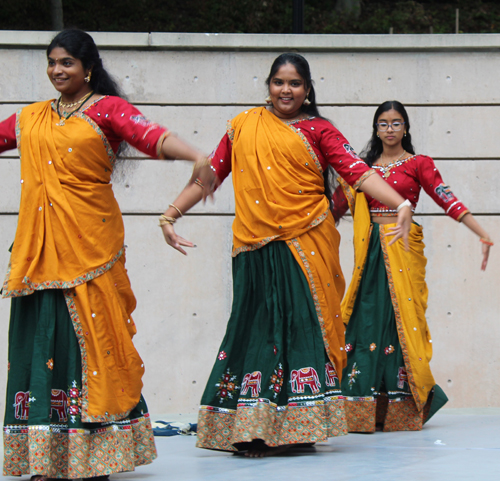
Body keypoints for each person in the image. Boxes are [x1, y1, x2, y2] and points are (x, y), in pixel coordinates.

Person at [160, 54, 413, 456]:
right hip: (253, 246)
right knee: (255, 331)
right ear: (269, 85)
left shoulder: (320, 130)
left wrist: (399, 202)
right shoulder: (244, 126)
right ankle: (253, 423)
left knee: (299, 329)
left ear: (307, 90)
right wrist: (170, 214)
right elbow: (211, 175)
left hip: (305, 242)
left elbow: (359, 174)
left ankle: (298, 426)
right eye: (279, 82)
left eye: (295, 83)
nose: (286, 90)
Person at [0, 29, 211, 480]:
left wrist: (195, 154)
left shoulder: (107, 110)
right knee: (42, 349)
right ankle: (47, 457)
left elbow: (150, 136)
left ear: (88, 67)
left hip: (90, 248)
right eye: (52, 62)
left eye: (67, 63)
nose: (58, 70)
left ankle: (97, 458)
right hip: (39, 253)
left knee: (92, 348)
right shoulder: (31, 117)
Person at [335, 100, 492, 432]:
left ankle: (401, 409)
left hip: (403, 249)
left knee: (401, 324)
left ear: (406, 128)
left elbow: (446, 198)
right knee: (364, 324)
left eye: (396, 123)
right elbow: (332, 207)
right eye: (383, 123)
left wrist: (481, 232)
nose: (389, 129)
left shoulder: (419, 163)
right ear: (375, 129)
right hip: (370, 252)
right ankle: (357, 407)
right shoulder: (361, 168)